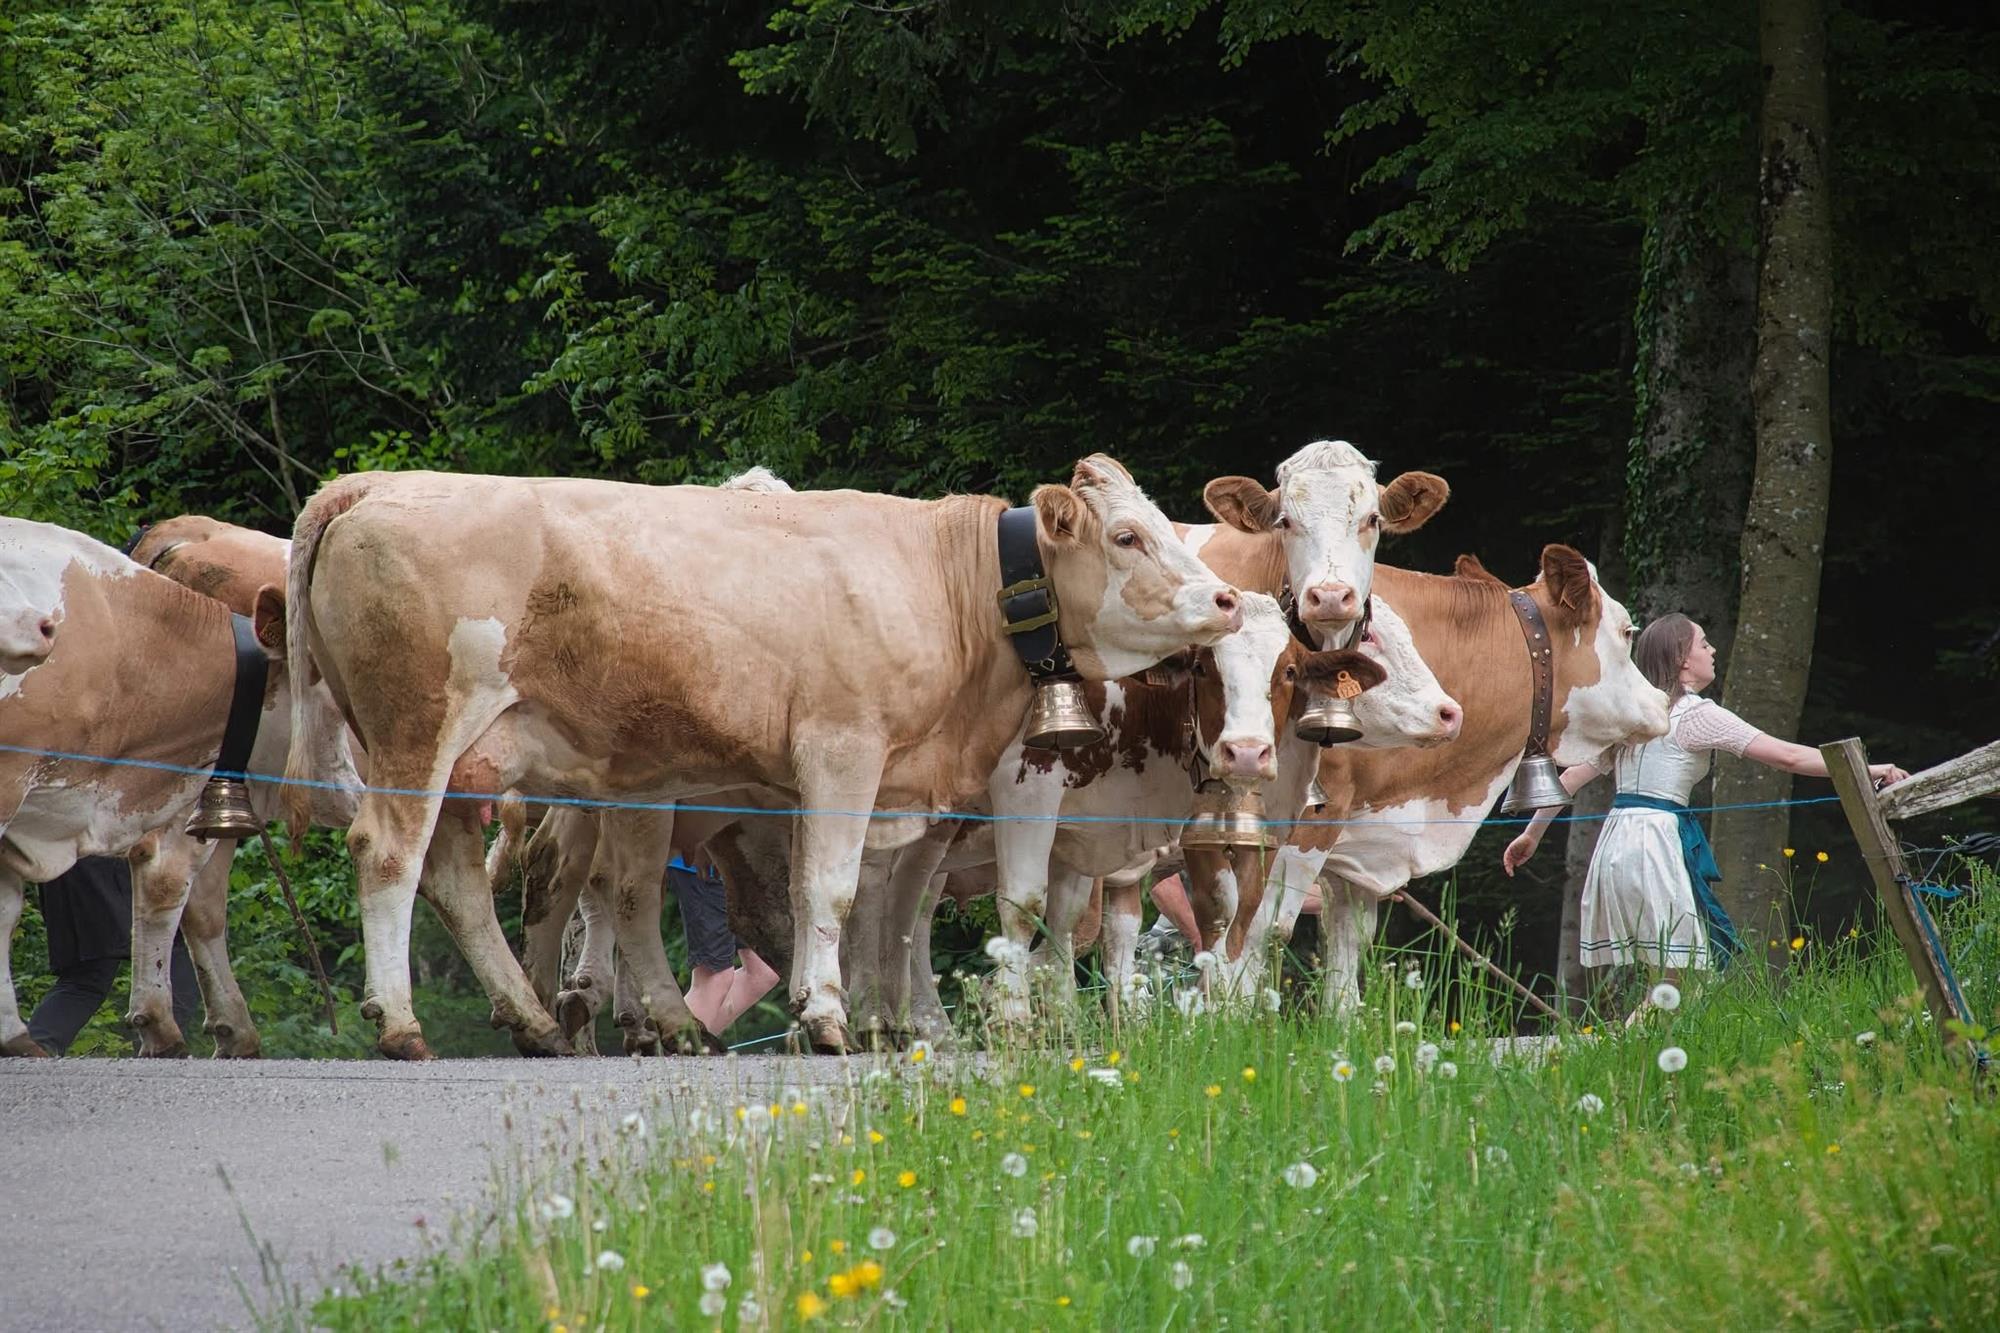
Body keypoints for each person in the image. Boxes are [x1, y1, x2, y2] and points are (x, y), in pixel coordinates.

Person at [1502, 614, 1908, 1023]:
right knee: (1679, 985)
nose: (1712, 651)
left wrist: (1532, 835)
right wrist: (1870, 770)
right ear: (1682, 660)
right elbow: (1788, 756)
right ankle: (1622, 1062)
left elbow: (1571, 778)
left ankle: (1645, 1067)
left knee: (1672, 981)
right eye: (1703, 644)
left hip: (1618, 843)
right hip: (1654, 842)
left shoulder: (1635, 716)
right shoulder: (1697, 715)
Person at [28, 855, 199, 1055]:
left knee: (85, 978)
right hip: (103, 852)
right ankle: (160, 1050)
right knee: (180, 944)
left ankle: (35, 1049)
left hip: (66, 856)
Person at [663, 854, 779, 1037]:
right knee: (714, 977)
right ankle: (670, 1056)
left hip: (742, 866)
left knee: (763, 970)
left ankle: (694, 1046)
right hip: (704, 862)